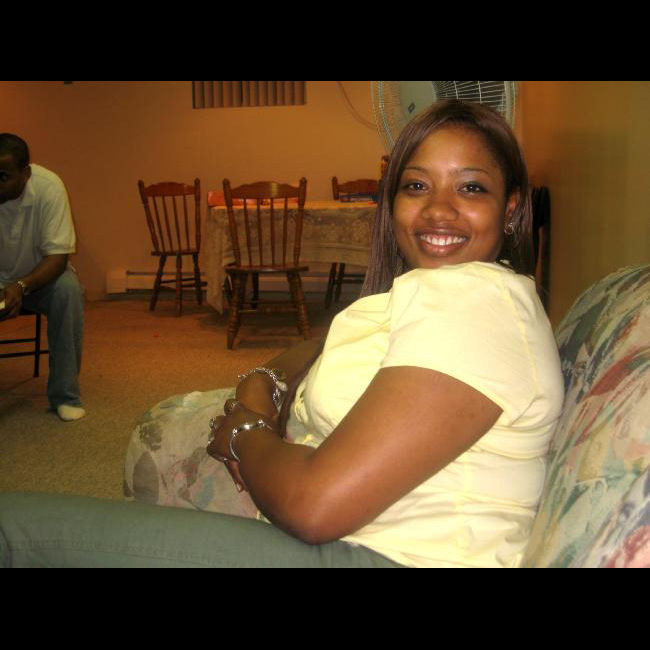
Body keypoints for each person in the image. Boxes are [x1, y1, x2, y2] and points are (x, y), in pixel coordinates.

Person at [0, 100, 563, 568]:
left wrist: (244, 432)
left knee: (12, 529)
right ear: (392, 202)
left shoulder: (474, 299)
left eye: (471, 188)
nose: (438, 210)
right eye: (416, 185)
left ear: (512, 209)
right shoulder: (424, 296)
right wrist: (262, 380)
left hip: (389, 556)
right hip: (357, 543)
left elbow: (314, 506)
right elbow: (323, 341)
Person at [0, 133, 85, 421]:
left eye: (3, 177)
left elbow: (58, 257)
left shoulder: (50, 187)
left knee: (68, 292)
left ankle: (65, 395)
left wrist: (20, 286)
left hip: (39, 279)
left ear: (25, 173)